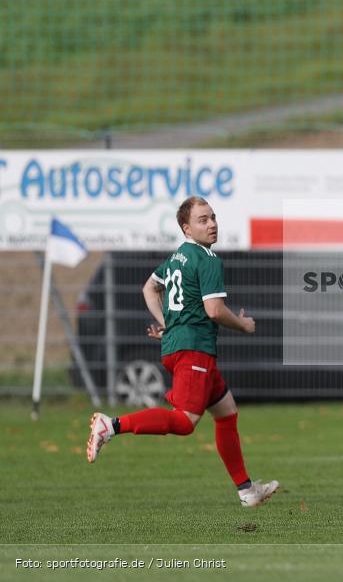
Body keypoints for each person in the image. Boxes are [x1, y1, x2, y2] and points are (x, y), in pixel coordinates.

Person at [85, 196, 279, 508]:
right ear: (186, 228)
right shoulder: (207, 259)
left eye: (213, 217)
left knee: (226, 412)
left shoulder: (177, 258)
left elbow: (149, 288)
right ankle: (112, 426)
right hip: (194, 350)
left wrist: (169, 323)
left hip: (183, 346)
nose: (212, 224)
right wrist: (242, 324)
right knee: (186, 422)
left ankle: (246, 490)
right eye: (203, 220)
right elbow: (214, 310)